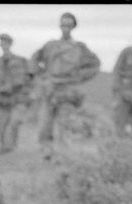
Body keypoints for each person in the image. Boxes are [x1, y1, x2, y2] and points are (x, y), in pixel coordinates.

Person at [31, 12, 100, 158]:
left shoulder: (79, 48)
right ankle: (46, 153)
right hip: (50, 89)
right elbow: (34, 59)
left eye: (69, 25)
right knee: (45, 124)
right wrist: (42, 75)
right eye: (63, 25)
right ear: (60, 26)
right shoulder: (50, 46)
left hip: (68, 91)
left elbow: (95, 65)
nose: (66, 28)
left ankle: (62, 155)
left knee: (64, 124)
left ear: (73, 27)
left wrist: (79, 78)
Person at [0, 33, 33, 153]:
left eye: (5, 42)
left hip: (17, 99)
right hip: (0, 101)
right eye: (2, 42)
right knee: (1, 125)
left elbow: (30, 79)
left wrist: (27, 94)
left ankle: (10, 148)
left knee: (14, 122)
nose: (3, 45)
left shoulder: (21, 61)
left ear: (10, 44)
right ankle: (5, 149)